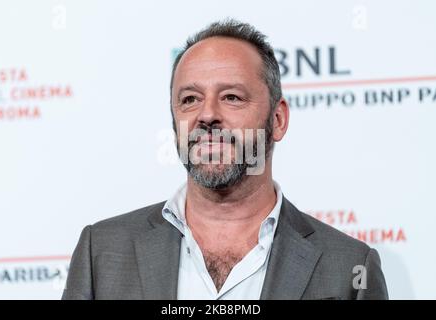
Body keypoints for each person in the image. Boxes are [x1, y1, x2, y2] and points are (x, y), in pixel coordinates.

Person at [62, 19, 388, 300]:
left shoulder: (348, 268)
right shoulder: (101, 253)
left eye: (231, 97)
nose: (207, 114)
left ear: (278, 119)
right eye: (190, 99)